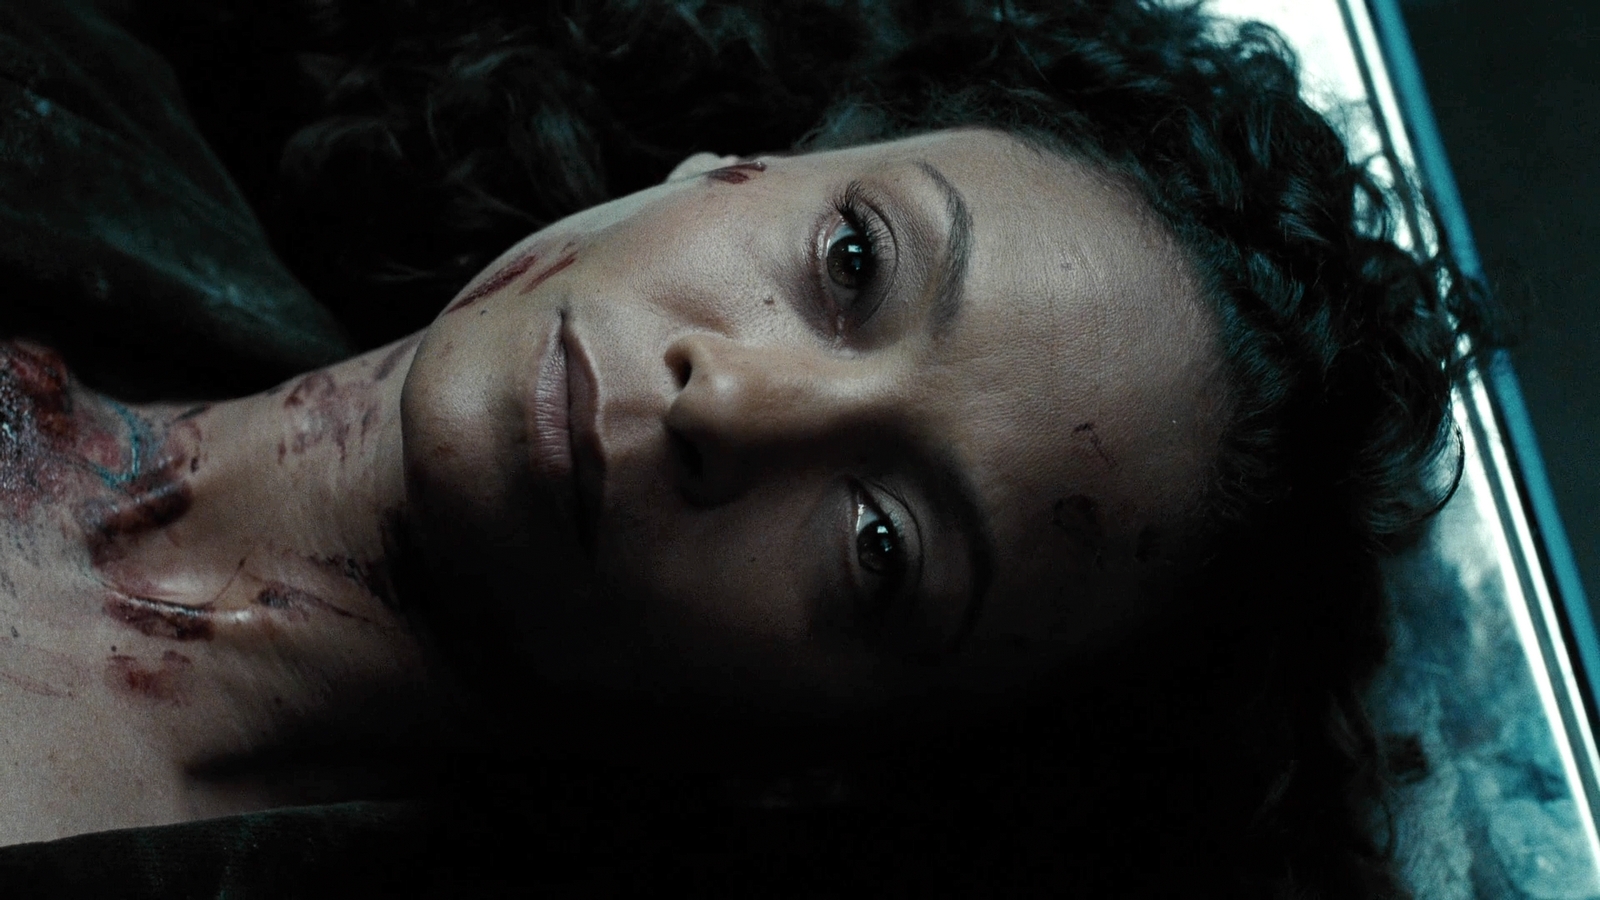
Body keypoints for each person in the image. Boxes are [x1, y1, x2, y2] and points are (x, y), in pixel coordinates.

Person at [0, 0, 1495, 896]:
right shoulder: (66, 76)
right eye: (852, 261)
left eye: (882, 544)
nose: (730, 405)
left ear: (820, 764)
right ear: (737, 166)